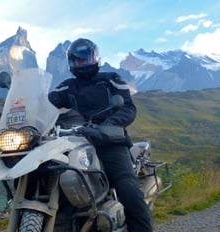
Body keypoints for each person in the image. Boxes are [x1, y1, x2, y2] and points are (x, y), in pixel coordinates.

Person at [48, 38, 153, 231]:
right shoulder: (67, 86)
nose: (83, 63)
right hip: (75, 143)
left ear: (95, 58)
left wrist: (110, 124)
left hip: (110, 141)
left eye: (86, 58)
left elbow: (128, 107)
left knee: (127, 187)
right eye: (78, 60)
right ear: (72, 62)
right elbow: (46, 105)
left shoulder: (111, 79)